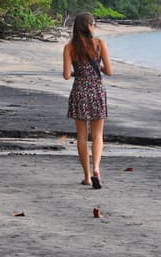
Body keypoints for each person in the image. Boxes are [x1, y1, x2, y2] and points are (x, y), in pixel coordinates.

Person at [63, 12, 113, 189]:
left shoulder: (69, 47)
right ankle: (97, 169)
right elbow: (109, 71)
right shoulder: (100, 45)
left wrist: (80, 71)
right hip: (97, 91)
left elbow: (67, 75)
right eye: (94, 23)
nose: (95, 26)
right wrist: (96, 66)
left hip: (80, 91)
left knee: (82, 136)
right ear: (89, 26)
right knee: (98, 134)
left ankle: (86, 176)